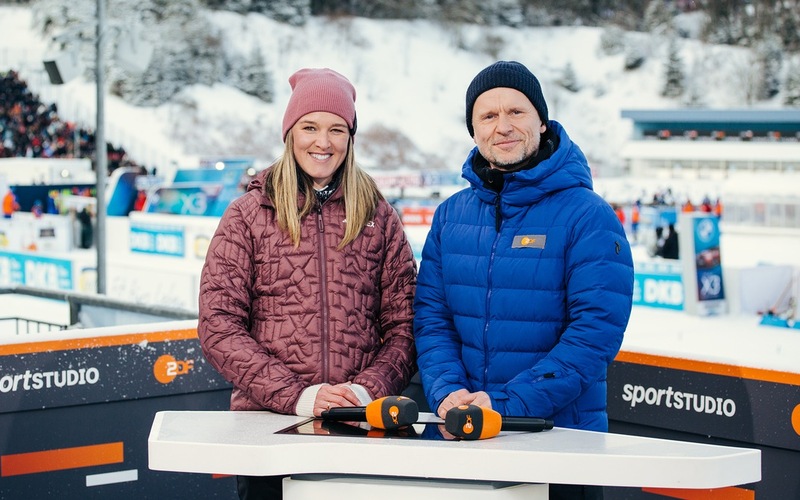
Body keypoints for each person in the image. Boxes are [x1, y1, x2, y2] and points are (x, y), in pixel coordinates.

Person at [413, 61, 633, 500]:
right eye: (488, 116)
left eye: (516, 112)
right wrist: (449, 392)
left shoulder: (588, 215)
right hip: (465, 436)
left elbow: (594, 335)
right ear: (473, 131)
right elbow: (431, 319)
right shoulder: (451, 216)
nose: (503, 126)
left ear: (541, 120)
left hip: (558, 441)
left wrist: (508, 405)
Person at [197, 68, 417, 500]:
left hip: (362, 426)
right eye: (310, 127)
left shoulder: (378, 217)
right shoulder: (248, 214)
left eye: (337, 128)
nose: (323, 141)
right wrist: (297, 395)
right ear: (289, 133)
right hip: (268, 428)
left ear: (350, 138)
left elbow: (405, 326)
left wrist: (365, 390)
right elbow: (218, 324)